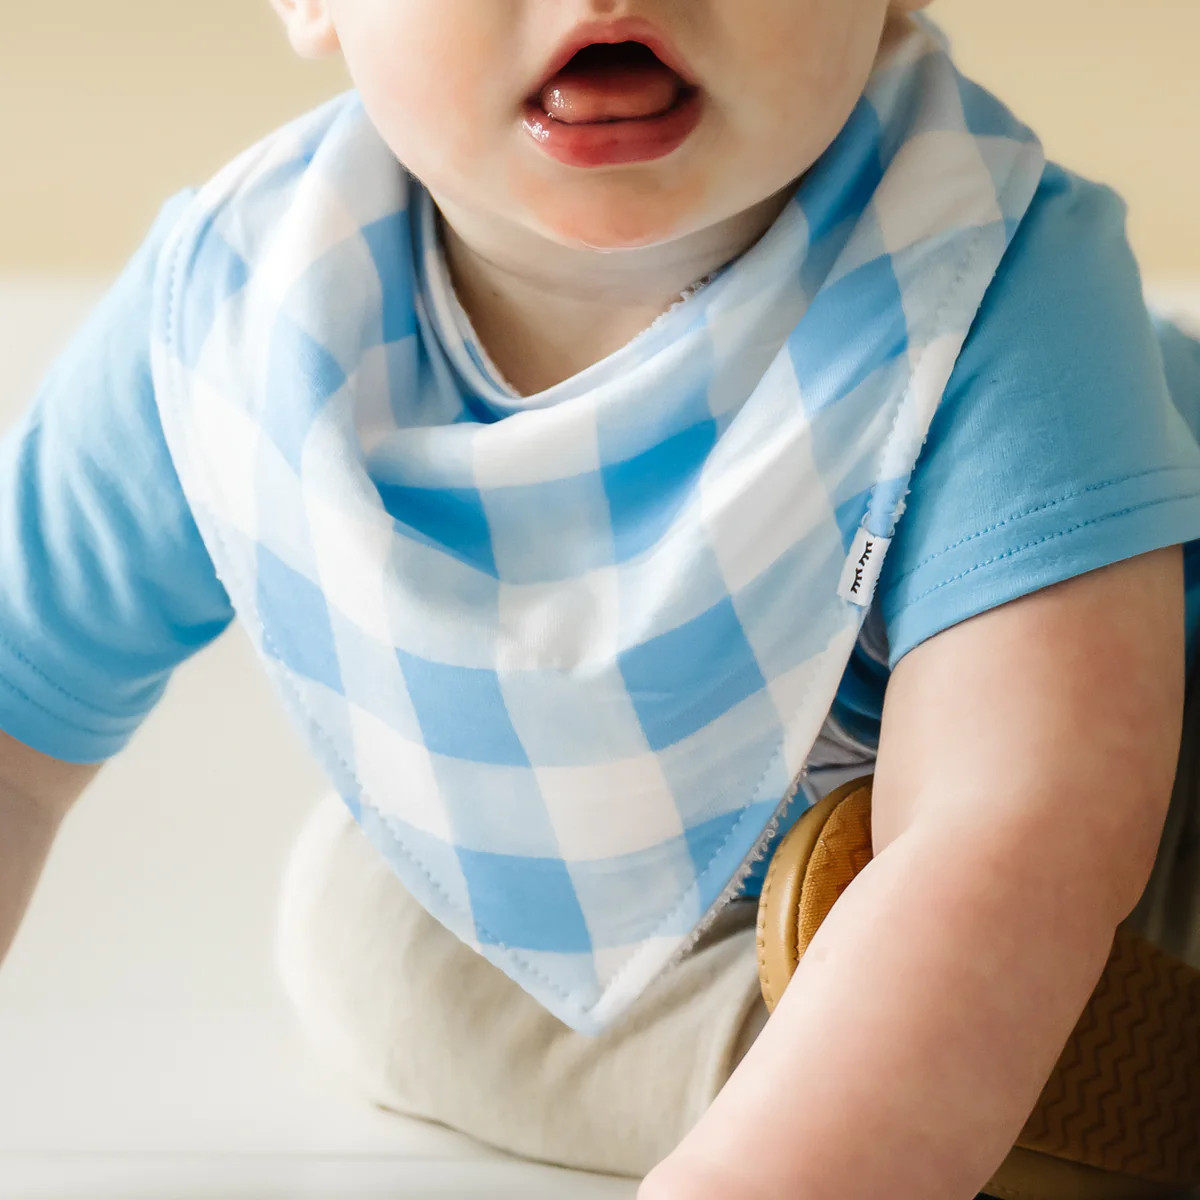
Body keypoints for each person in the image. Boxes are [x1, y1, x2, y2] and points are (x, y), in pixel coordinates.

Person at [1, 2, 1198, 1197]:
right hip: (745, 881)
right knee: (376, 932)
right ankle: (936, 1060)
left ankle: (959, 1035)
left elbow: (1016, 824)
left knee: (1022, 880)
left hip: (1141, 802)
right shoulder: (248, 302)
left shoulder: (981, 272)